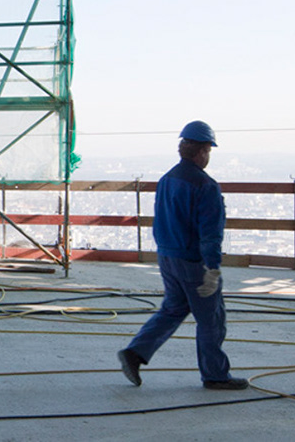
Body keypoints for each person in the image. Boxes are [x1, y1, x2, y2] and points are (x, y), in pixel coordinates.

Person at [116, 121, 248, 390]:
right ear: (202, 151)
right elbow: (210, 232)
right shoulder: (205, 185)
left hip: (167, 257)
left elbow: (162, 219)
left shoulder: (167, 179)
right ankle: (215, 375)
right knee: (212, 320)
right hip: (192, 261)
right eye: (208, 150)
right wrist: (212, 268)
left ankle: (135, 352)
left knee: (173, 309)